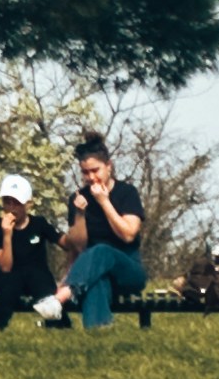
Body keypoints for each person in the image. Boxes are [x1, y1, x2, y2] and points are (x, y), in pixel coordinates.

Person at [48, 134, 146, 327]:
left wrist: (104, 202)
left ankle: (62, 296)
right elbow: (77, 246)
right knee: (96, 281)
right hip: (91, 272)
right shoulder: (78, 198)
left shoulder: (127, 193)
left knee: (102, 250)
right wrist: (80, 215)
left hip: (128, 272)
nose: (91, 178)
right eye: (85, 172)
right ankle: (98, 335)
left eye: (95, 170)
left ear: (109, 166)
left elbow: (128, 235)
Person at [0, 172, 60, 328]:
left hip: (38, 277)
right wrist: (7, 235)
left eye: (16, 202)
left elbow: (66, 242)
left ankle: (58, 323)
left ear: (27, 203)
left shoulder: (39, 224)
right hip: (11, 277)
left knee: (38, 277)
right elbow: (5, 266)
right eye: (7, 202)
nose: (11, 208)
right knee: (8, 283)